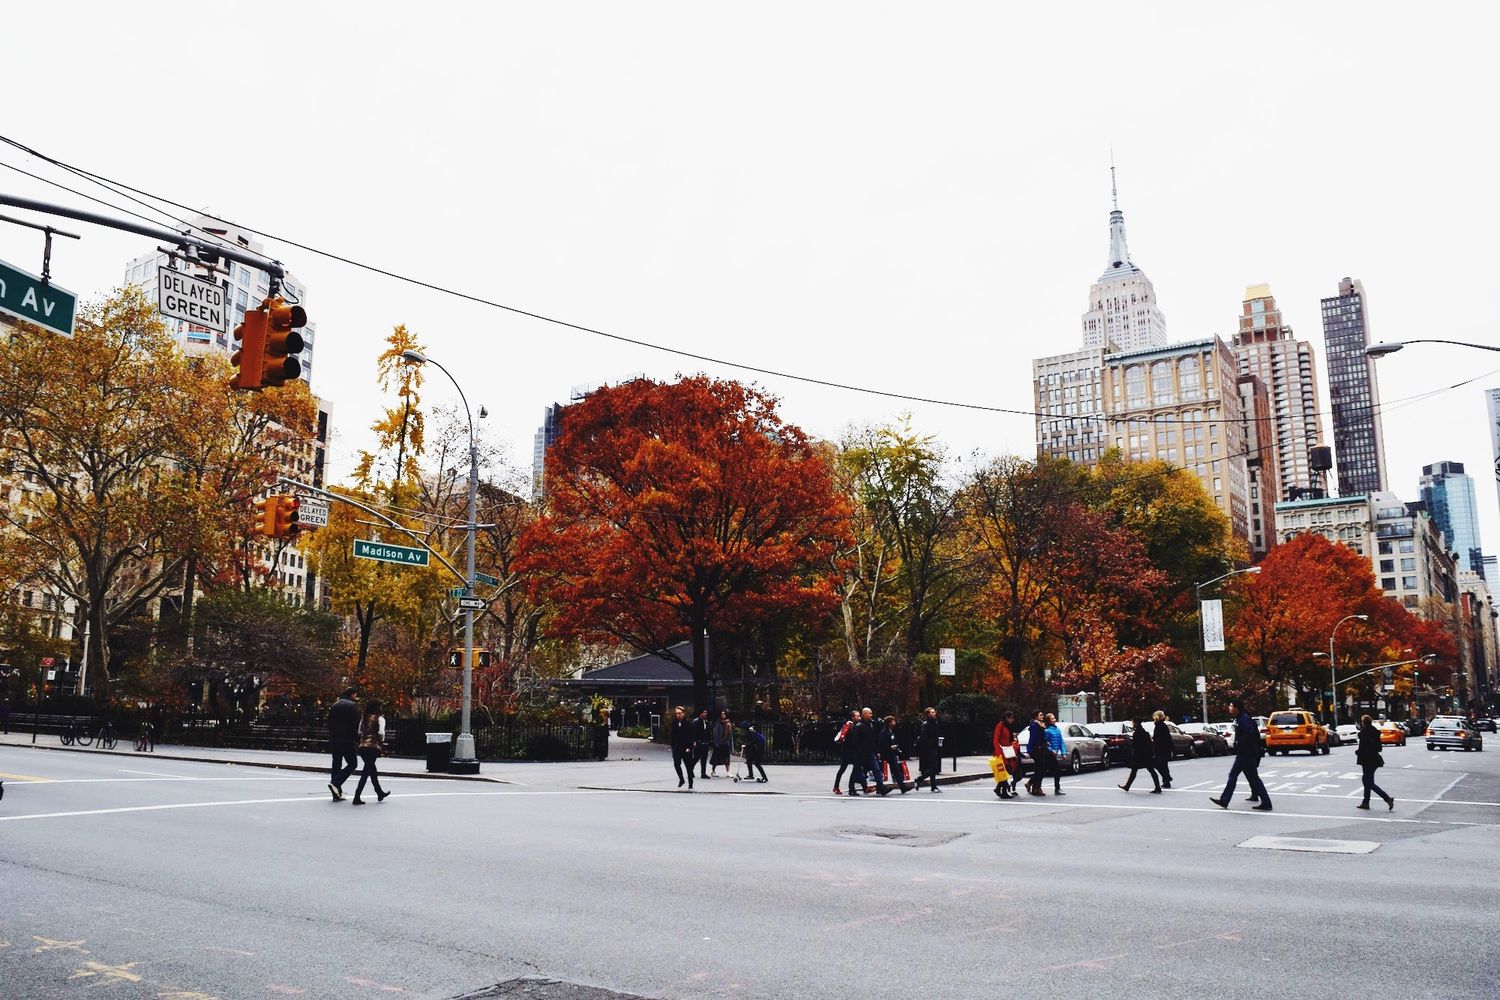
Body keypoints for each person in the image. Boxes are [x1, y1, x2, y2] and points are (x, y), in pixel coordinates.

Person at [1209, 697, 1272, 812]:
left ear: (1236, 708)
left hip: (1246, 753)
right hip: (1246, 753)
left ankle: (1225, 800)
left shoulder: (1244, 719)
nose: (1229, 707)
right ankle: (1265, 801)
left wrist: (1238, 743)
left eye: (1231, 706)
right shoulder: (1241, 719)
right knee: (1252, 778)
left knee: (1235, 775)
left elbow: (1249, 734)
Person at [351, 699, 390, 805]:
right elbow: (381, 733)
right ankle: (357, 796)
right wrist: (380, 741)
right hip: (373, 747)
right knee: (366, 772)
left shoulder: (363, 718)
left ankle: (379, 792)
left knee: (372, 770)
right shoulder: (380, 719)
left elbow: (359, 732)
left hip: (362, 747)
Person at [327, 687, 361, 802]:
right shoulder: (352, 706)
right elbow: (356, 724)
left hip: (334, 738)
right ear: (352, 694)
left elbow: (329, 722)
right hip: (347, 739)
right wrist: (357, 739)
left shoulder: (335, 705)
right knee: (352, 763)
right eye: (355, 695)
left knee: (336, 763)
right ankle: (335, 783)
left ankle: (336, 793)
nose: (356, 697)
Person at [1356, 714, 1394, 811]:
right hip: (1375, 759)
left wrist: (1358, 752)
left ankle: (1387, 798)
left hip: (1367, 760)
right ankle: (1366, 802)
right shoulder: (1375, 732)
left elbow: (1362, 748)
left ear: (1363, 723)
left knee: (1368, 782)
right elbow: (1379, 748)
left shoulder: (1364, 733)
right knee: (1367, 780)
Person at [1118, 718, 1162, 793]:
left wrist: (1133, 752)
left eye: (1133, 722)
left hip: (1140, 755)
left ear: (1136, 723)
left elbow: (1136, 745)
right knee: (1149, 770)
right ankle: (1157, 787)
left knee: (1137, 770)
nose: (1132, 723)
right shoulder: (1143, 732)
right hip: (1146, 755)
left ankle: (1127, 786)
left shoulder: (1137, 733)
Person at [856, 707, 889, 796]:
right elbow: (856, 741)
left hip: (871, 752)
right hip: (862, 752)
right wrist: (858, 752)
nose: (871, 715)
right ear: (864, 714)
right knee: (861, 771)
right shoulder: (859, 726)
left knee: (877, 769)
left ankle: (881, 788)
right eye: (869, 713)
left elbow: (872, 740)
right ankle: (860, 787)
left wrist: (877, 751)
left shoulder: (871, 725)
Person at [877, 715, 912, 793]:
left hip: (891, 753)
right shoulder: (883, 732)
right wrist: (890, 747)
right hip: (886, 754)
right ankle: (880, 788)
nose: (895, 723)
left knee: (896, 770)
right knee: (880, 771)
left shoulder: (890, 731)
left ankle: (902, 787)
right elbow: (881, 744)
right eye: (893, 721)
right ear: (889, 723)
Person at [916, 707, 944, 793]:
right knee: (933, 768)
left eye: (934, 712)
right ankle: (933, 786)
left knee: (933, 768)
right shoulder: (926, 724)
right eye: (932, 712)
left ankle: (919, 780)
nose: (934, 713)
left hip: (934, 747)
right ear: (928, 714)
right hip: (929, 749)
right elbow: (924, 738)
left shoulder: (935, 723)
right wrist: (930, 744)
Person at [833, 710, 859, 795]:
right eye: (857, 716)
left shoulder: (855, 726)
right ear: (852, 717)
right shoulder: (850, 726)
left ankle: (851, 787)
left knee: (855, 769)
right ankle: (837, 787)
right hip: (847, 752)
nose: (859, 717)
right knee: (843, 769)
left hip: (851, 751)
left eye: (859, 716)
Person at [1024, 711, 1050, 797]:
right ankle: (1036, 787)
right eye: (1041, 715)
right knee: (1041, 769)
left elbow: (1041, 737)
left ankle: (1033, 785)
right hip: (1037, 750)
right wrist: (1029, 750)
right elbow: (1033, 738)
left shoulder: (1040, 724)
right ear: (1036, 716)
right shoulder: (1035, 726)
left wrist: (1046, 742)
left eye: (1043, 714)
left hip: (1041, 748)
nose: (1043, 716)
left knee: (1040, 769)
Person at [669, 706, 696, 789]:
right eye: (676, 713)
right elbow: (672, 736)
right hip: (677, 748)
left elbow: (692, 737)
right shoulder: (674, 723)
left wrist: (689, 747)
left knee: (689, 767)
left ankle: (690, 784)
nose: (678, 715)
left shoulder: (688, 724)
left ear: (683, 714)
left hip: (686, 748)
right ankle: (681, 779)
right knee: (676, 763)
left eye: (679, 713)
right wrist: (673, 746)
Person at [1043, 713, 1066, 795]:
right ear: (1048, 721)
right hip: (1048, 754)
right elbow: (1044, 743)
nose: (1054, 720)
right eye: (1052, 719)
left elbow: (1061, 742)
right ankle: (1057, 788)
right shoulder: (1047, 731)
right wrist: (1051, 750)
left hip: (1054, 753)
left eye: (1054, 718)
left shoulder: (1058, 730)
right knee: (1056, 770)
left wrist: (1063, 752)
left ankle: (1030, 783)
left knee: (1042, 770)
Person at [1151, 710, 1174, 790]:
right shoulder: (1162, 725)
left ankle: (1167, 778)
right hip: (1165, 749)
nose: (1153, 717)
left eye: (1154, 716)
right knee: (1164, 766)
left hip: (1161, 749)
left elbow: (1158, 739)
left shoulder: (1159, 726)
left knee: (1157, 764)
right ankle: (1166, 781)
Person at [710, 709, 735, 777]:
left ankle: (728, 771)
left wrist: (730, 727)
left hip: (726, 743)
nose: (723, 715)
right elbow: (715, 733)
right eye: (722, 714)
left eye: (724, 714)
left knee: (727, 758)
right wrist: (716, 742)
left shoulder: (728, 723)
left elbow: (731, 735)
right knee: (716, 758)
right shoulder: (718, 722)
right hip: (719, 743)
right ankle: (713, 771)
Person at [692, 708, 713, 778]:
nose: (706, 714)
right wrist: (694, 741)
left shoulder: (706, 722)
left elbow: (708, 732)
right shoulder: (696, 722)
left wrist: (709, 741)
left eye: (706, 712)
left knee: (704, 759)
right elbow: (693, 732)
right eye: (704, 712)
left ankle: (703, 773)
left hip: (705, 743)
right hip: (698, 743)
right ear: (700, 713)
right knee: (696, 758)